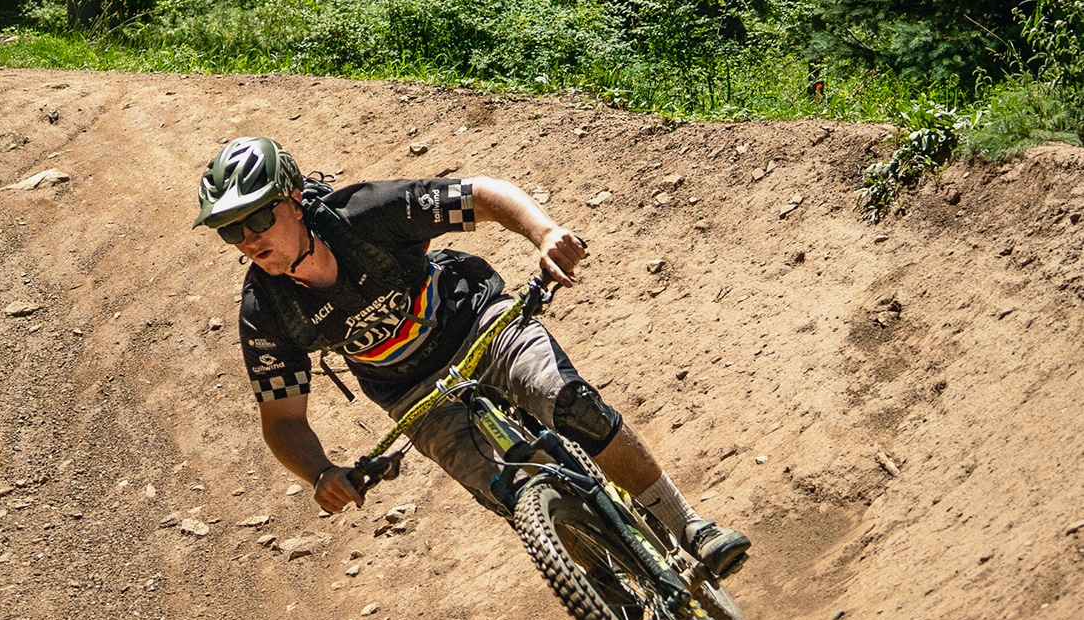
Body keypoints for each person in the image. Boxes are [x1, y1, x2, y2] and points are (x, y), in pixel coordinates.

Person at [194, 136, 750, 576]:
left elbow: (480, 194)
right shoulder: (265, 309)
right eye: (229, 231)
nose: (246, 238)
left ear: (294, 202)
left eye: (258, 218)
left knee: (572, 404)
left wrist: (545, 232)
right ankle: (611, 600)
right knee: (513, 493)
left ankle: (688, 526)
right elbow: (282, 419)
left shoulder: (364, 215)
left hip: (477, 319)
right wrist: (318, 472)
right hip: (410, 392)